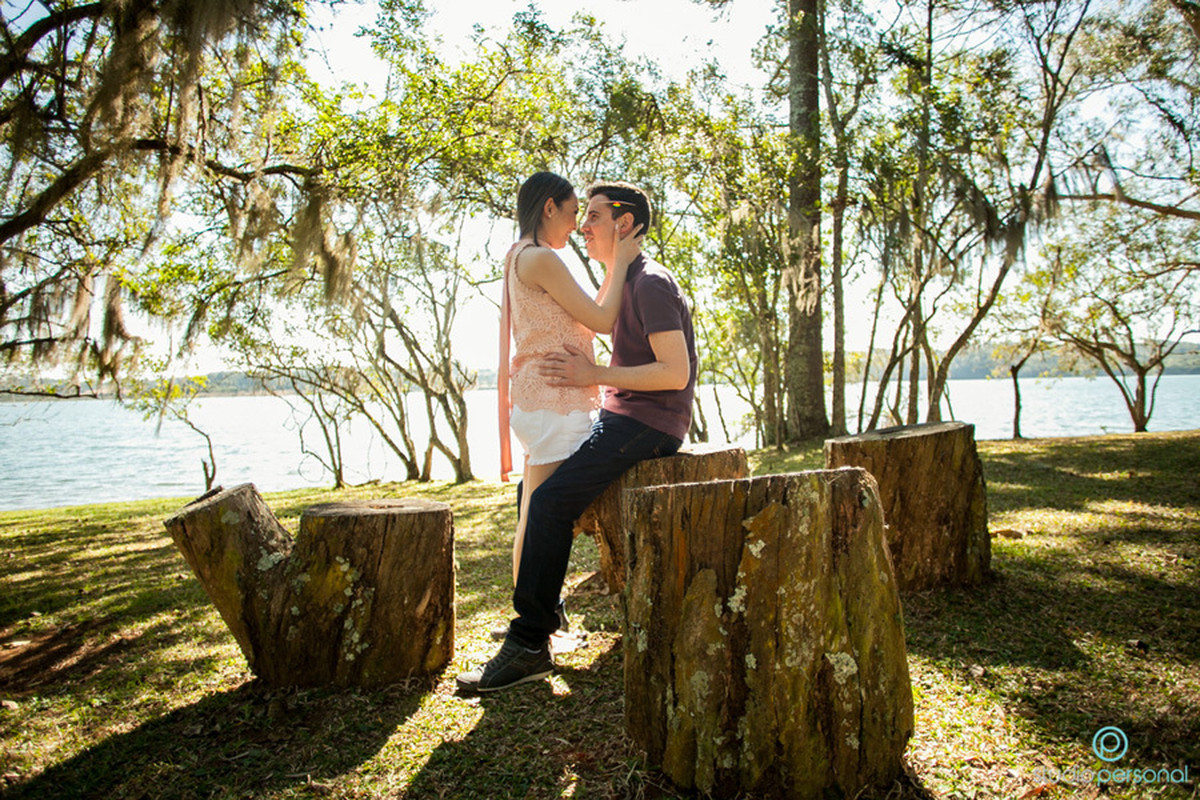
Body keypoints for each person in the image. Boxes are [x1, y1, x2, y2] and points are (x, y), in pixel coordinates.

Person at [459, 180, 697, 693]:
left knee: (547, 503)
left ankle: (528, 643)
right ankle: (542, 616)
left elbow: (674, 374)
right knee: (533, 495)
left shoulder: (650, 282)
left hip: (650, 424)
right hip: (622, 415)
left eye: (593, 216)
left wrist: (593, 377)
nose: (584, 226)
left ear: (624, 223)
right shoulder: (625, 280)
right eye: (580, 214)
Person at [498, 172, 642, 611]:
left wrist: (613, 268)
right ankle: (531, 621)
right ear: (549, 208)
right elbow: (601, 321)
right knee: (540, 519)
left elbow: (590, 312)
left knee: (532, 515)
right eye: (574, 212)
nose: (577, 224)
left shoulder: (519, 255)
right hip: (553, 401)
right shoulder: (541, 258)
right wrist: (619, 262)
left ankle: (529, 614)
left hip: (539, 399)